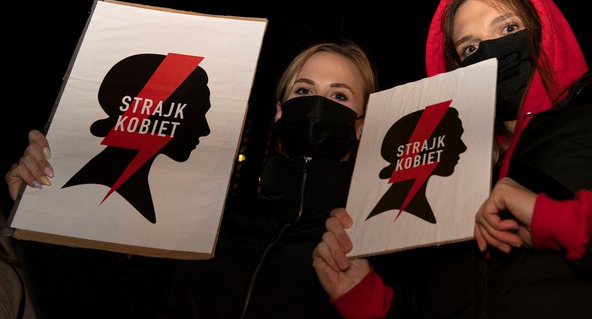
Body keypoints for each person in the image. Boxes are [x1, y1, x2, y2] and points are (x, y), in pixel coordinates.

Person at [313, 0, 592, 318]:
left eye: (508, 29)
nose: (490, 52)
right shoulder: (444, 169)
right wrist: (370, 301)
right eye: (470, 48)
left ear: (547, 29)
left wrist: (555, 219)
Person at [4, 40, 384, 318]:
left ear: (362, 125)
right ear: (280, 113)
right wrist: (43, 219)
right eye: (304, 91)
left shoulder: (375, 241)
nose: (317, 106)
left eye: (339, 96)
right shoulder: (208, 220)